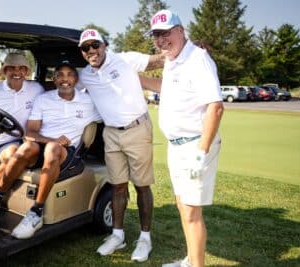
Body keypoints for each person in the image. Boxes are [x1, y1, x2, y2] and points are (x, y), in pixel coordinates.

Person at [141, 10, 224, 267]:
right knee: (182, 206)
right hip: (178, 147)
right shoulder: (173, 60)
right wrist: (134, 78)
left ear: (180, 30)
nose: (161, 40)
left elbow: (216, 107)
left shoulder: (198, 59)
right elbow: (165, 86)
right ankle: (190, 260)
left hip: (194, 146)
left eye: (166, 33)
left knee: (190, 212)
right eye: (156, 35)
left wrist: (201, 152)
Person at [77, 28, 164, 262]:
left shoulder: (125, 59)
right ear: (83, 52)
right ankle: (118, 235)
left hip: (137, 128)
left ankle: (145, 238)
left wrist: (190, 51)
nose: (91, 51)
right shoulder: (85, 75)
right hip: (112, 133)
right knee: (117, 186)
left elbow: (159, 59)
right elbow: (66, 90)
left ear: (104, 46)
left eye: (96, 45)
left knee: (142, 186)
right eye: (86, 48)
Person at [0, 60, 101, 239]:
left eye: (70, 75)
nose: (65, 79)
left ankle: (36, 212)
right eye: (60, 75)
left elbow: (111, 113)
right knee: (27, 146)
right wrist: (52, 139)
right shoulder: (44, 99)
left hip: (68, 152)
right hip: (44, 145)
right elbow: (30, 132)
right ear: (54, 79)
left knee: (52, 149)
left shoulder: (89, 102)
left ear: (76, 79)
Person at [0, 53, 44, 211]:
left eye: (21, 68)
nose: (17, 72)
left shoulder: (36, 89)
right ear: (4, 71)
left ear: (26, 71)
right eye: (12, 68)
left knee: (12, 153)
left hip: (11, 141)